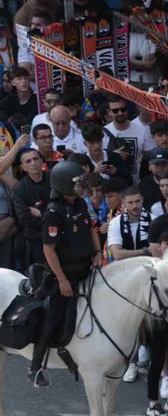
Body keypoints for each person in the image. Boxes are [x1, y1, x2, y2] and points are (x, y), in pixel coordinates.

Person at [30, 159, 97, 387]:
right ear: (64, 184)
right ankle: (36, 365)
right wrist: (62, 280)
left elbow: (92, 228)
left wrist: (97, 252)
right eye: (78, 182)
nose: (82, 185)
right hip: (65, 274)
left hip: (87, 268)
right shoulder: (53, 212)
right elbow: (48, 249)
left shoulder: (79, 203)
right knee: (55, 315)